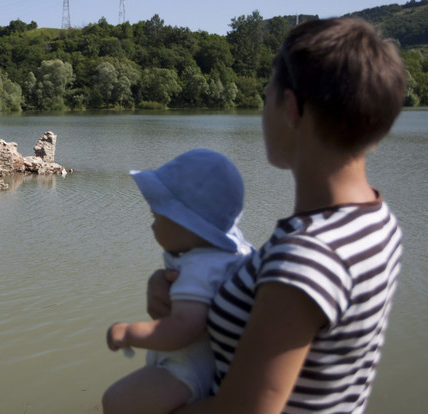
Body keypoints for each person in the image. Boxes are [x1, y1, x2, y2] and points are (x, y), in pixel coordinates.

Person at [147, 18, 407, 413]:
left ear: (290, 107)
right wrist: (184, 291)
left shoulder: (309, 255)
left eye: (266, 96)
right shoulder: (376, 221)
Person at [102, 149, 253, 414]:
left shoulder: (199, 268)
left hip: (185, 372)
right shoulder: (234, 251)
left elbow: (184, 328)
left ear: (189, 224)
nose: (152, 227)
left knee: (115, 401)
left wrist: (127, 333)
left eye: (156, 217)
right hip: (210, 367)